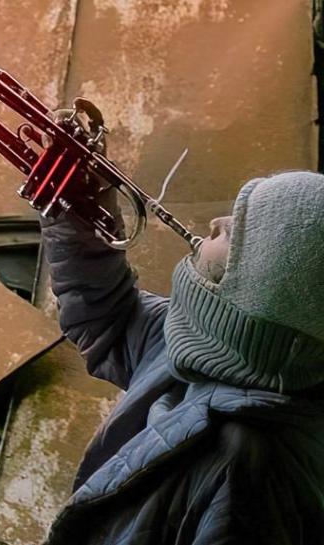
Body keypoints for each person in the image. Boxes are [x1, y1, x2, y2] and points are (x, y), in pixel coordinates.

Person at [43, 160, 324, 543]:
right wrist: (78, 209)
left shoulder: (253, 466)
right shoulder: (204, 342)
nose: (217, 222)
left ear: (265, 289)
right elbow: (109, 318)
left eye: (238, 231)